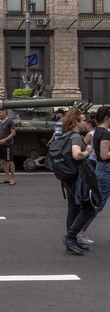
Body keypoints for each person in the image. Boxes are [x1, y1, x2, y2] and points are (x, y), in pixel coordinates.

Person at [58, 109, 96, 255]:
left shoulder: (65, 135)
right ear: (76, 122)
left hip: (67, 176)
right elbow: (76, 154)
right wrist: (87, 151)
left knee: (73, 208)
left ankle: (71, 241)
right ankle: (70, 237)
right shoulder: (75, 137)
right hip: (77, 177)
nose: (85, 122)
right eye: (83, 119)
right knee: (88, 209)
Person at [78, 106, 110, 245]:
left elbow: (97, 155)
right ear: (107, 118)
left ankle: (78, 231)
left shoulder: (96, 132)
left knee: (97, 203)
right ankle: (79, 231)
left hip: (102, 169)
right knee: (98, 204)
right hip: (106, 170)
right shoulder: (105, 133)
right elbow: (104, 155)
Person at [0, 109, 16, 186]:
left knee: (10, 161)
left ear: (5, 112)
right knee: (3, 161)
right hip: (0, 144)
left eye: (0, 112)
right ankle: (7, 178)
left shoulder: (10, 122)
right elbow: (0, 134)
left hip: (7, 145)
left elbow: (13, 133)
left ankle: (12, 179)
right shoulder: (1, 122)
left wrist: (5, 140)